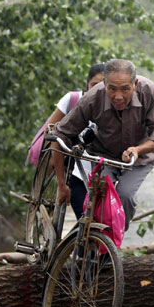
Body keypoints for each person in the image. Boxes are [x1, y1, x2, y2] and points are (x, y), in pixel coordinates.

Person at [52, 59, 154, 232]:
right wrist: (61, 184)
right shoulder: (91, 98)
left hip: (139, 158)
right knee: (99, 198)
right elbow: (60, 135)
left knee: (124, 196)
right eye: (112, 88)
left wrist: (137, 149)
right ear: (104, 84)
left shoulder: (149, 91)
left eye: (125, 89)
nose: (118, 96)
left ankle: (112, 244)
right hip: (103, 154)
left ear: (134, 84)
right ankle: (95, 244)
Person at [44, 63, 105, 220]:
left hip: (98, 168)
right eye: (94, 85)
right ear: (87, 84)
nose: (98, 89)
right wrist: (52, 159)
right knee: (83, 219)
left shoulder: (113, 105)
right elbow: (52, 129)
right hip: (73, 164)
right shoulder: (73, 100)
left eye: (103, 85)